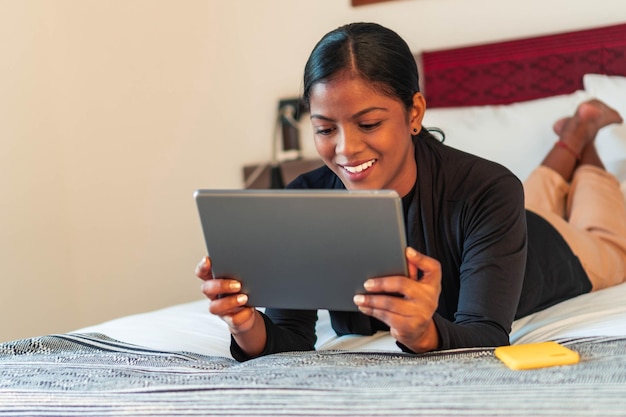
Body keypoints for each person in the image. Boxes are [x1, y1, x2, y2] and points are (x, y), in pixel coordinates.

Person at [196, 22, 626, 361]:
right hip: (500, 220)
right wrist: (245, 323)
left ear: (414, 112)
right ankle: (575, 131)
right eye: (326, 129)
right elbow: (290, 338)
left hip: (555, 247)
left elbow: (487, 335)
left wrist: (423, 331)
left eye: (368, 124)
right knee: (533, 194)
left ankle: (584, 136)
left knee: (610, 241)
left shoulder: (488, 189)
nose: (346, 149)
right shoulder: (305, 200)